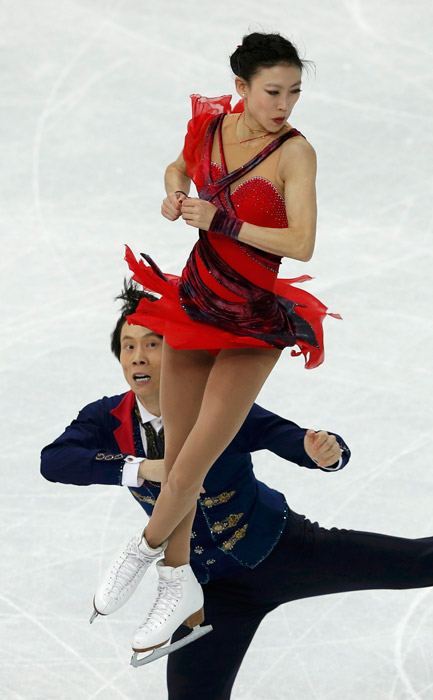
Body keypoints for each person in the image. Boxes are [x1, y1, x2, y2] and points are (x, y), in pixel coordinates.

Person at [41, 284, 433, 700]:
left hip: (284, 550)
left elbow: (283, 435)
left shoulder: (218, 406)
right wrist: (144, 468)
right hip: (210, 592)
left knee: (418, 564)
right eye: (128, 345)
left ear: (178, 353)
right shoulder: (106, 418)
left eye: (153, 344)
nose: (138, 356)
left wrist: (321, 450)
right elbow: (55, 461)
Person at [108, 31, 341, 655]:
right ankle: (177, 582)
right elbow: (178, 165)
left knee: (192, 464)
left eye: (294, 91)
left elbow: (301, 244)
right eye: (272, 91)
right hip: (194, 305)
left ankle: (145, 546)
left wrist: (222, 219)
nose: (285, 103)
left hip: (253, 319)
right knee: (179, 448)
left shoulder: (297, 153)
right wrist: (174, 193)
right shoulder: (211, 128)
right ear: (240, 87)